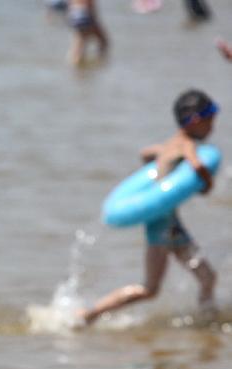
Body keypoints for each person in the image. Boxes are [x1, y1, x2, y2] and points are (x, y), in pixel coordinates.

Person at [81, 90, 219, 325]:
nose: (213, 128)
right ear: (196, 121)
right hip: (161, 226)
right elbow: (197, 165)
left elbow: (146, 153)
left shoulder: (170, 143)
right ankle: (88, 315)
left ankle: (208, 320)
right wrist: (206, 183)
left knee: (208, 276)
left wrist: (160, 169)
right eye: (210, 121)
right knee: (150, 288)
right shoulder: (186, 144)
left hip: (170, 224)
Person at [67, 0, 108, 66]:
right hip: (84, 14)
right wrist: (94, 20)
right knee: (103, 42)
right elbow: (90, 5)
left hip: (74, 14)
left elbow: (69, 4)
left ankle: (76, 64)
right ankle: (97, 63)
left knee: (79, 42)